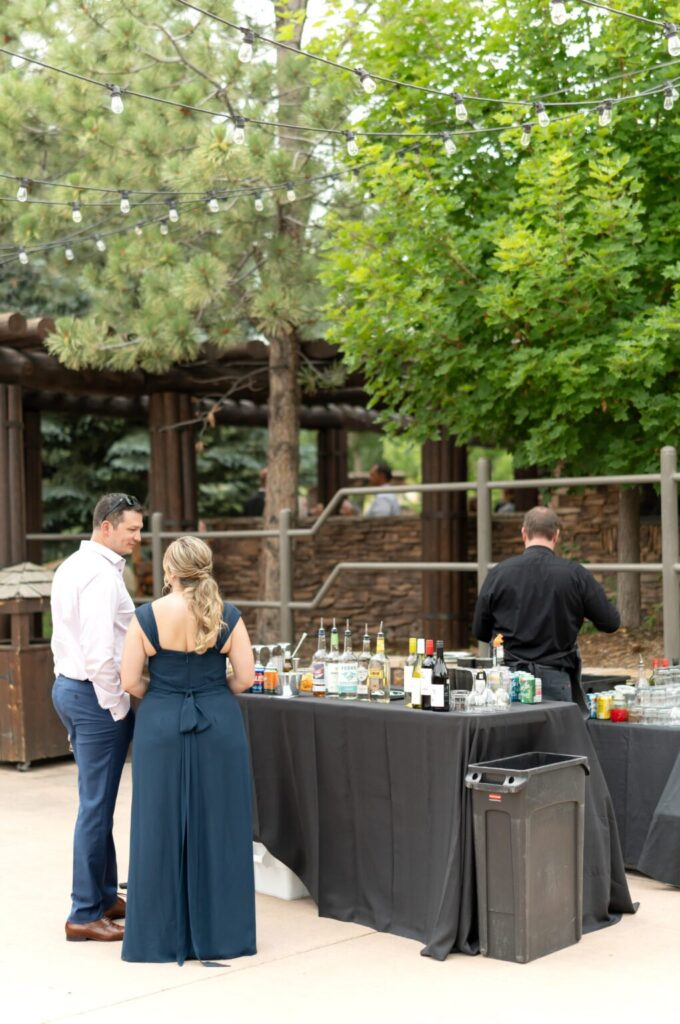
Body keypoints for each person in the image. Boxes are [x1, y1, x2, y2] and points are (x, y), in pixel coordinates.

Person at [120, 536, 256, 965]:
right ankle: (223, 935)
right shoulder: (226, 615)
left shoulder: (146, 616)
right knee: (221, 825)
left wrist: (163, 694)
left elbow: (128, 682)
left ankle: (157, 938)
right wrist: (212, 690)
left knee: (156, 825)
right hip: (219, 724)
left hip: (160, 724)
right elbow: (246, 679)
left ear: (170, 571)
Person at [51, 493, 143, 942]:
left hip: (71, 689)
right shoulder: (99, 577)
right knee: (95, 807)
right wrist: (118, 703)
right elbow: (99, 654)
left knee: (99, 801)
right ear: (106, 527)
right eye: (131, 529)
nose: (137, 537)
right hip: (94, 697)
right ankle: (84, 912)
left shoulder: (73, 565)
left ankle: (105, 894)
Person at [471, 506, 620, 705]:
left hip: (507, 682)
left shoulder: (499, 573)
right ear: (556, 535)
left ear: (524, 533)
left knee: (508, 734)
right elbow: (610, 622)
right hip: (556, 678)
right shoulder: (575, 575)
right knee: (554, 735)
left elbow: (480, 631)